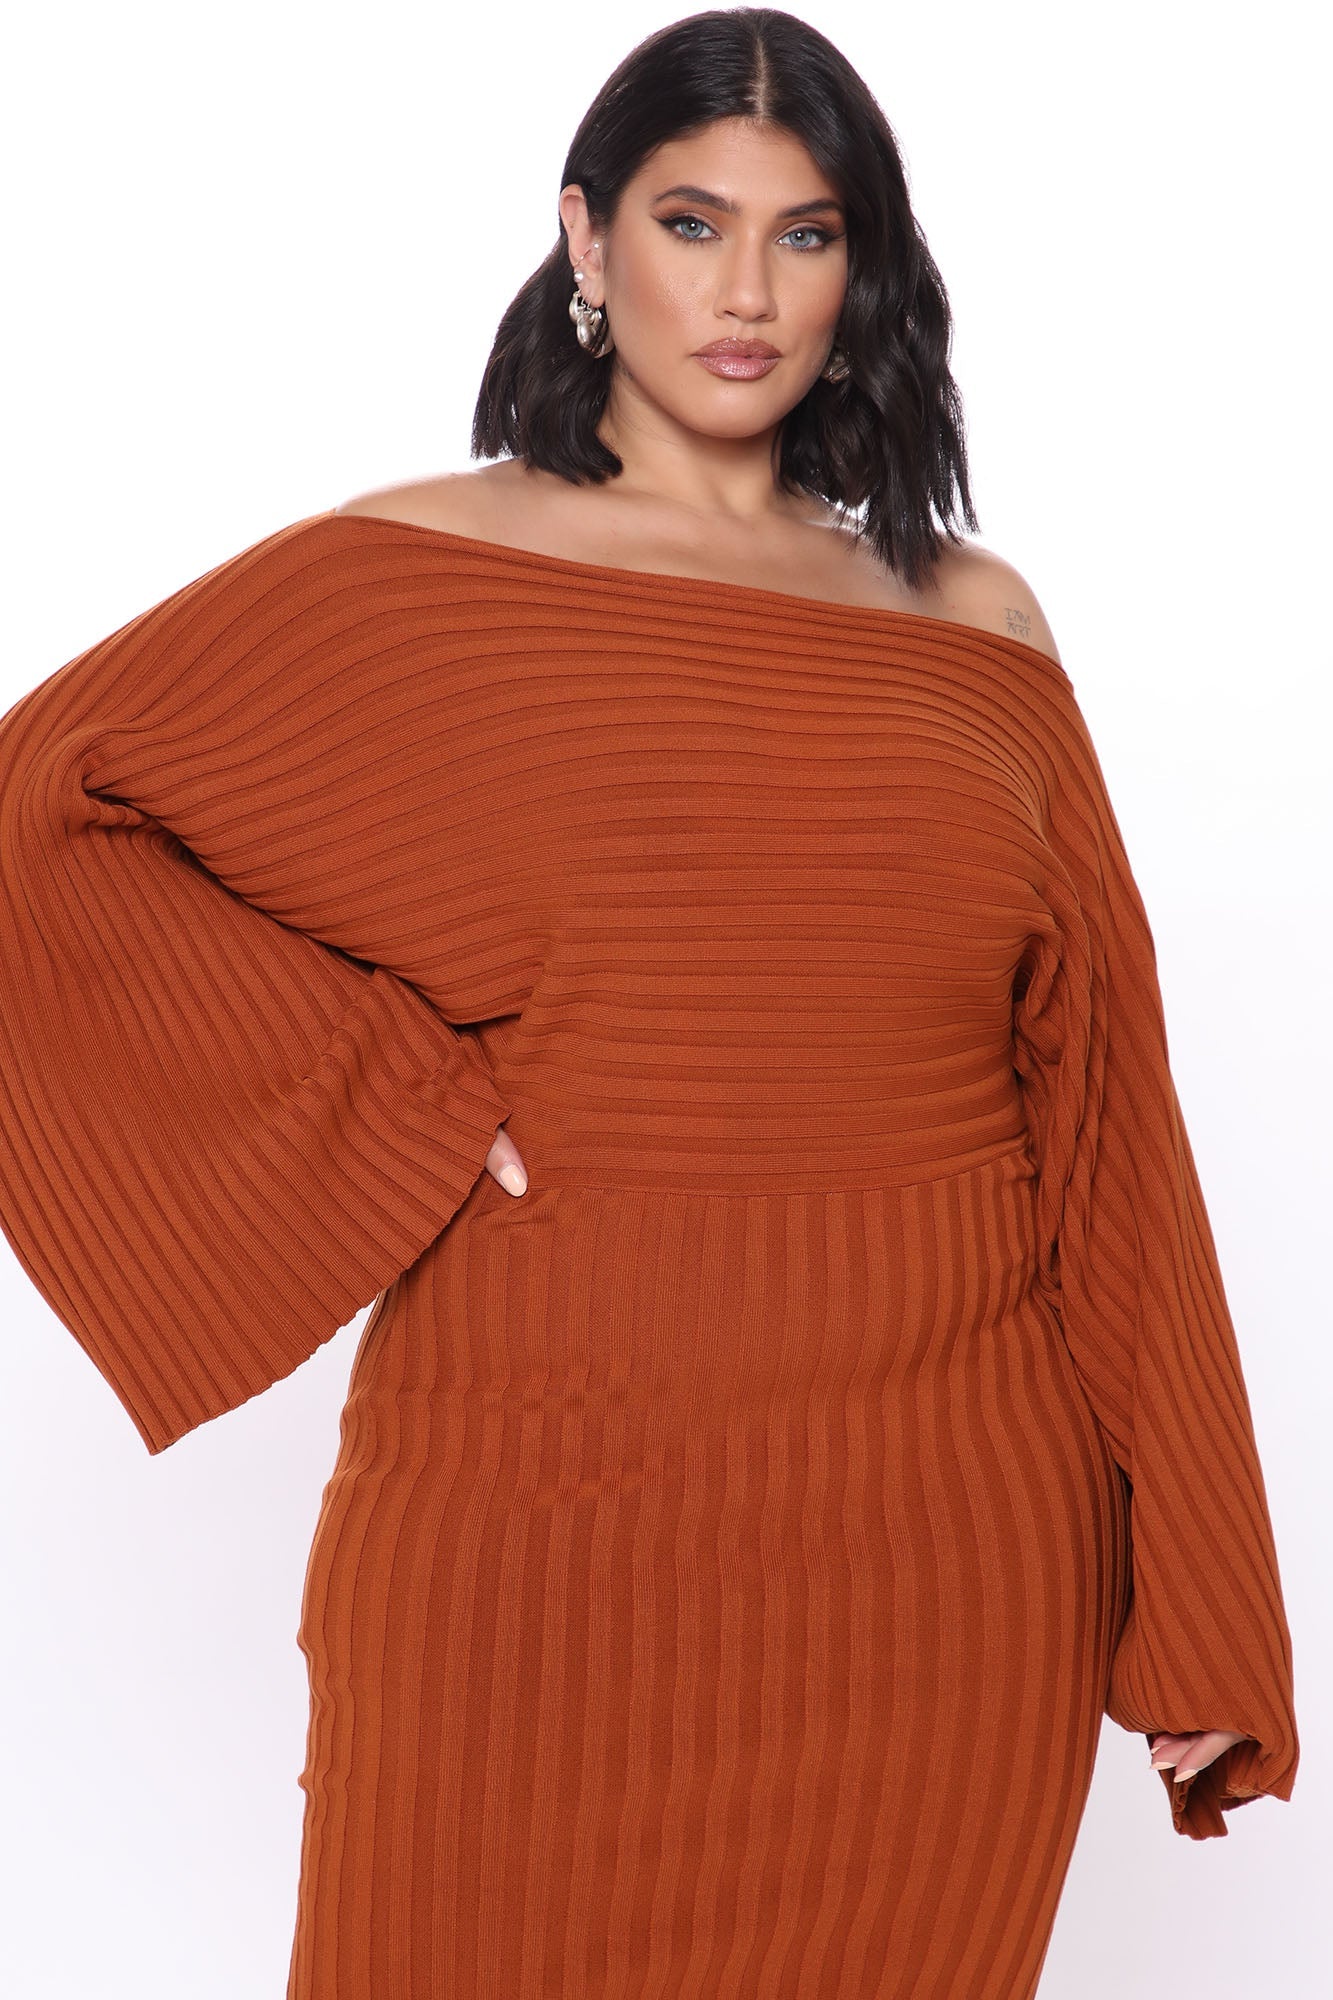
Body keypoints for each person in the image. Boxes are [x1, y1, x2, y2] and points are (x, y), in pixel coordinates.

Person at [0, 9, 1298, 1997]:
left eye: (806, 233)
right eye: (693, 223)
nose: (747, 291)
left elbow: (1106, 1121)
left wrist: (1201, 1597)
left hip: (948, 1558)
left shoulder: (973, 624)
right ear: (585, 240)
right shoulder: (413, 574)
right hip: (535, 1520)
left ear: (863, 272)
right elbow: (43, 806)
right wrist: (382, 1098)